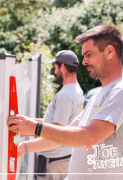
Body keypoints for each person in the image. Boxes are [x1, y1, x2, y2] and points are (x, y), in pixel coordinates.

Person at [8, 25, 123, 180]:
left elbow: (90, 138)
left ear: (109, 51)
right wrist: (29, 128)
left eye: (89, 54)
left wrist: (35, 128)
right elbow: (67, 132)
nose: (84, 61)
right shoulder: (100, 94)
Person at [18, 50, 84, 180]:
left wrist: (23, 148)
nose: (55, 72)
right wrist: (28, 124)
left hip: (53, 163)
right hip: (63, 158)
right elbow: (59, 123)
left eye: (55, 68)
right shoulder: (77, 90)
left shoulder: (64, 96)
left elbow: (56, 135)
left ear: (63, 67)